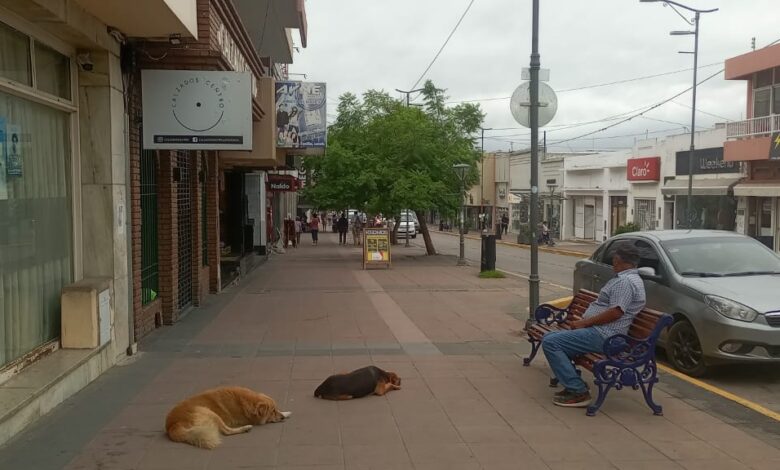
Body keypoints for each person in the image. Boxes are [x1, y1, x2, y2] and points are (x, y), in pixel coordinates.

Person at [541, 243, 645, 407]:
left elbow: (616, 312)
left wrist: (584, 322)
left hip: (606, 335)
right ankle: (572, 382)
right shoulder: (629, 279)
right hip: (603, 332)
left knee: (551, 342)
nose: (613, 261)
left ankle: (578, 391)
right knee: (550, 336)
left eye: (615, 258)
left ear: (620, 260)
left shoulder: (625, 282)